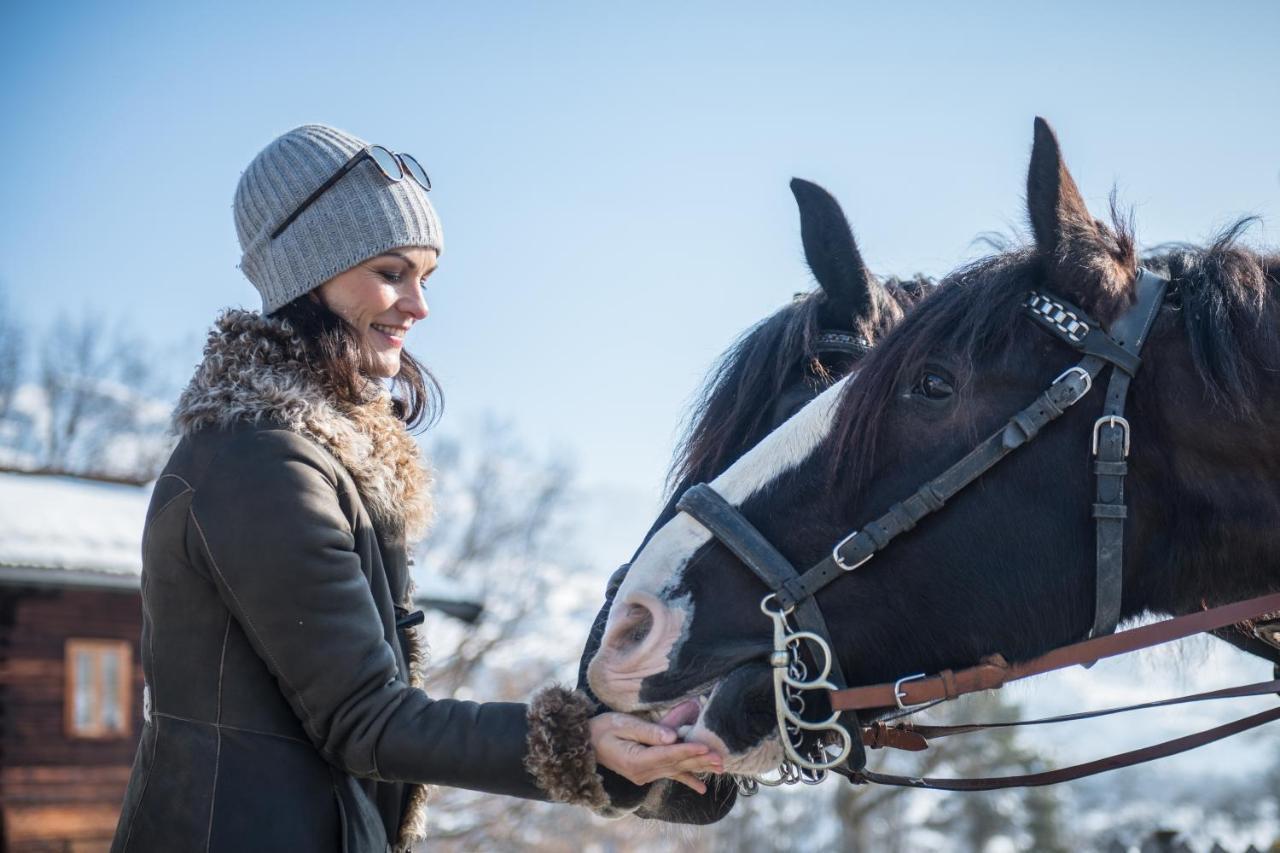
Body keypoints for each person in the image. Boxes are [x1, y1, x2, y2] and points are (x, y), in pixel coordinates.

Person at [110, 124, 722, 853]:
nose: (419, 305)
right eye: (392, 271)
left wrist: (623, 741)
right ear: (311, 273)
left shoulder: (311, 455)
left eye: (426, 277)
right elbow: (366, 717)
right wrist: (578, 745)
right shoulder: (257, 463)